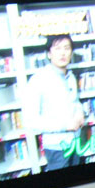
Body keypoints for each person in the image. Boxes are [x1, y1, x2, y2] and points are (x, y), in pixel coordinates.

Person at [24, 34, 84, 171]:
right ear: (49, 54)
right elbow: (31, 121)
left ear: (71, 52)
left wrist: (80, 112)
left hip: (75, 141)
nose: (63, 53)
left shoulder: (71, 76)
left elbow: (75, 101)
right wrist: (66, 125)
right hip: (57, 147)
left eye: (67, 48)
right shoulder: (38, 80)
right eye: (57, 48)